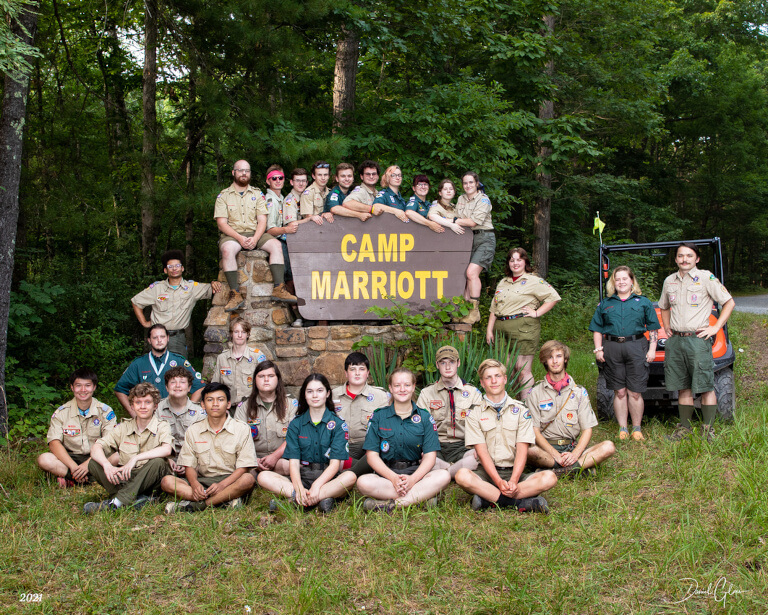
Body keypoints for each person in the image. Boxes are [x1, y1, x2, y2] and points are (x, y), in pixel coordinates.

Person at [454, 359, 556, 512]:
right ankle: (519, 503)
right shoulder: (474, 412)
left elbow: (522, 449)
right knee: (462, 476)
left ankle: (489, 499)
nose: (494, 381)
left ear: (505, 379)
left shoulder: (521, 410)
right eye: (488, 377)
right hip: (487, 474)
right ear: (482, 383)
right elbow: (482, 452)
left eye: (497, 376)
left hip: (515, 471)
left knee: (549, 478)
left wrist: (514, 480)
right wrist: (498, 481)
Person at [659, 242, 735, 442]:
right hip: (676, 341)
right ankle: (684, 428)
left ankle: (707, 429)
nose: (684, 259)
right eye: (681, 256)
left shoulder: (706, 278)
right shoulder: (669, 281)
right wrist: (666, 326)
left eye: (689, 256)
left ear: (697, 259)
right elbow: (664, 306)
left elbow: (729, 302)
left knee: (705, 386)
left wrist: (715, 328)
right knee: (683, 386)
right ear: (676, 259)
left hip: (698, 340)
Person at [258, 373, 356, 513]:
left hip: (327, 478)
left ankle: (300, 500)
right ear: (304, 395)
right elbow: (293, 462)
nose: (315, 395)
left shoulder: (339, 425)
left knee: (350, 477)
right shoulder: (296, 424)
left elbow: (335, 465)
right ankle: (315, 498)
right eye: (310, 391)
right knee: (263, 477)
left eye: (319, 391)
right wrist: (298, 487)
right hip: (302, 475)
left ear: (328, 393)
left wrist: (317, 485)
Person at [357, 368, 451, 512]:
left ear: (413, 387)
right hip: (387, 476)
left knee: (444, 475)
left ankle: (391, 505)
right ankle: (420, 499)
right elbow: (371, 456)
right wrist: (394, 479)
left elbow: (430, 457)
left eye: (407, 385)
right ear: (390, 388)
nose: (402, 389)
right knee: (363, 482)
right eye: (397, 385)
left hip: (417, 475)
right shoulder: (378, 417)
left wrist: (412, 480)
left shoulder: (425, 418)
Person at [214, 159, 296, 311]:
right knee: (227, 250)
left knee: (276, 245)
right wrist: (240, 238)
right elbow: (222, 223)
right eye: (240, 170)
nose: (244, 173)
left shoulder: (258, 194)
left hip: (255, 232)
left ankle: (279, 288)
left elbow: (262, 220)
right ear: (233, 173)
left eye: (247, 171)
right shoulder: (224, 196)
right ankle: (235, 293)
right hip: (233, 234)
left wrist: (256, 239)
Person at [589, 266, 661, 440]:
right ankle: (623, 428)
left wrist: (652, 349)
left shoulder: (643, 302)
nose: (621, 282)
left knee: (635, 392)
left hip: (636, 347)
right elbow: (597, 329)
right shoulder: (605, 304)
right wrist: (598, 349)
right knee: (619, 391)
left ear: (631, 281)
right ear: (613, 283)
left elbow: (653, 328)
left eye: (624, 279)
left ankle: (636, 428)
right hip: (612, 348)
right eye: (617, 279)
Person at [162, 383, 257, 513]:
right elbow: (189, 465)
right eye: (210, 400)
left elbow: (244, 467)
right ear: (202, 404)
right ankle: (224, 501)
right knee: (167, 481)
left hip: (230, 480)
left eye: (220, 399)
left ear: (228, 404)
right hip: (203, 480)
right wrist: (195, 485)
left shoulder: (242, 429)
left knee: (248, 479)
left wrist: (222, 485)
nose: (215, 404)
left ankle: (199, 505)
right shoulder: (193, 430)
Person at [526, 341, 616, 476]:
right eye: (550, 357)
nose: (555, 361)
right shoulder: (535, 392)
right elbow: (535, 432)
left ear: (565, 359)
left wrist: (575, 454)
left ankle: (556, 472)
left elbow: (587, 429)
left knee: (608, 446)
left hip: (571, 447)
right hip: (546, 450)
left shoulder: (579, 392)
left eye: (559, 356)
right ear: (545, 361)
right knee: (528, 451)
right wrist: (555, 454)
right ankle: (578, 469)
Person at [84, 383, 173, 513]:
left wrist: (135, 459)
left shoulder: (162, 426)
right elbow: (97, 447)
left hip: (150, 479)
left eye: (147, 402)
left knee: (158, 462)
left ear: (155, 406)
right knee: (93, 463)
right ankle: (139, 500)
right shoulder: (123, 427)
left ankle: (116, 503)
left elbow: (167, 449)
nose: (142, 406)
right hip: (126, 477)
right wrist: (106, 465)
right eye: (138, 402)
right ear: (132, 406)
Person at [486, 247, 561, 400]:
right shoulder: (503, 282)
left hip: (523, 327)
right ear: (508, 263)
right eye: (512, 260)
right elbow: (494, 308)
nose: (515, 263)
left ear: (525, 261)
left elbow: (553, 297)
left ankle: (527, 407)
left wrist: (537, 312)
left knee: (522, 369)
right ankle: (514, 403)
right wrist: (489, 330)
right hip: (501, 328)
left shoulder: (533, 280)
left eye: (519, 259)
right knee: (506, 369)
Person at [131, 250, 222, 355]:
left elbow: (214, 289)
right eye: (170, 267)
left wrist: (214, 283)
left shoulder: (192, 288)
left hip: (178, 338)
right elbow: (136, 302)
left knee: (180, 369)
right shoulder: (156, 288)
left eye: (177, 265)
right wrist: (144, 323)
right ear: (165, 270)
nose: (174, 269)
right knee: (157, 368)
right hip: (158, 336)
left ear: (182, 268)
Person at [37, 368, 117, 488]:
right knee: (44, 459)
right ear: (72, 387)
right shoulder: (62, 412)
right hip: (70, 459)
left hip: (97, 457)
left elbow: (109, 442)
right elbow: (54, 443)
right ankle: (86, 478)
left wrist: (87, 465)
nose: (83, 390)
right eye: (78, 385)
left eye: (87, 385)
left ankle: (71, 479)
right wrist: (73, 467)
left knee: (118, 456)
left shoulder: (105, 411)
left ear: (94, 387)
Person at [416, 346, 482, 478]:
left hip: (463, 447)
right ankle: (454, 471)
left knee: (478, 457)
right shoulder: (427, 393)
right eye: (443, 363)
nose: (447, 367)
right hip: (436, 446)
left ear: (458, 363)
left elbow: (481, 425)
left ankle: (444, 472)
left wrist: (479, 449)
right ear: (437, 365)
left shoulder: (472, 393)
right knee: (420, 458)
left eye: (451, 362)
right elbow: (419, 426)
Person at [114, 324, 204, 416]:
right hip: (148, 417)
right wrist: (132, 412)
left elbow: (199, 387)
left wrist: (187, 410)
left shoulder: (179, 361)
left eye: (162, 337)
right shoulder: (139, 364)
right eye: (155, 337)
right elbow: (120, 389)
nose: (159, 340)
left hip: (174, 416)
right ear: (149, 340)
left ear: (168, 338)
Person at [234, 360, 297, 477]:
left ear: (277, 379)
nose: (266, 379)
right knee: (242, 474)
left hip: (281, 457)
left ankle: (266, 477)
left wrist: (274, 457)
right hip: (252, 460)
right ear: (255, 381)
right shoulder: (244, 406)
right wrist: (254, 460)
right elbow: (237, 439)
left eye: (271, 376)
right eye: (261, 376)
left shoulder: (291, 404)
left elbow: (294, 437)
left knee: (291, 467)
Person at [331, 352, 390, 476]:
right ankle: (365, 470)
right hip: (340, 447)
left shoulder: (381, 396)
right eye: (352, 369)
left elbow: (386, 428)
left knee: (381, 448)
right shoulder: (331, 395)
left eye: (362, 369)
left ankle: (347, 475)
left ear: (368, 373)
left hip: (367, 447)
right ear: (346, 373)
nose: (357, 373)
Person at [457, 171, 496, 323]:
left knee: (472, 273)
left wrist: (454, 220)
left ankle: (474, 311)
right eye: (465, 183)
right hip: (468, 239)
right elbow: (457, 215)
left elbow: (473, 222)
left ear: (477, 184)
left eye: (471, 182)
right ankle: (464, 311)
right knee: (467, 276)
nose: (468, 186)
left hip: (485, 238)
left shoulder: (484, 200)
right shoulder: (461, 199)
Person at [156, 365, 205, 472]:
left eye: (182, 382)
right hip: (164, 457)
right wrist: (166, 460)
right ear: (166, 387)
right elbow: (151, 439)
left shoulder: (199, 412)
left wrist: (188, 463)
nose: (177, 386)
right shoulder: (157, 409)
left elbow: (202, 443)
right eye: (173, 382)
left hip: (193, 459)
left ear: (189, 388)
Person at [211, 317, 267, 406]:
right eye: (236, 332)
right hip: (229, 408)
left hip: (252, 407)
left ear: (248, 334)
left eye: (243, 332)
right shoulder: (222, 358)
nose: (240, 335)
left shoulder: (257, 356)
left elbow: (266, 384)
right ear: (231, 334)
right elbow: (215, 386)